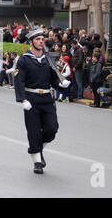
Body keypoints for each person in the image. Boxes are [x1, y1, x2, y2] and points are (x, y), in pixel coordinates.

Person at [14, 28, 70, 174]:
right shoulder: (24, 59)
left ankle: (37, 148)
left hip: (46, 98)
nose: (40, 42)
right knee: (33, 131)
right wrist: (23, 100)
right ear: (31, 42)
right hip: (31, 99)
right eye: (37, 39)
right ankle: (37, 161)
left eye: (42, 39)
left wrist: (61, 85)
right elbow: (18, 81)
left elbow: (53, 79)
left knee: (52, 128)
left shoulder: (48, 59)